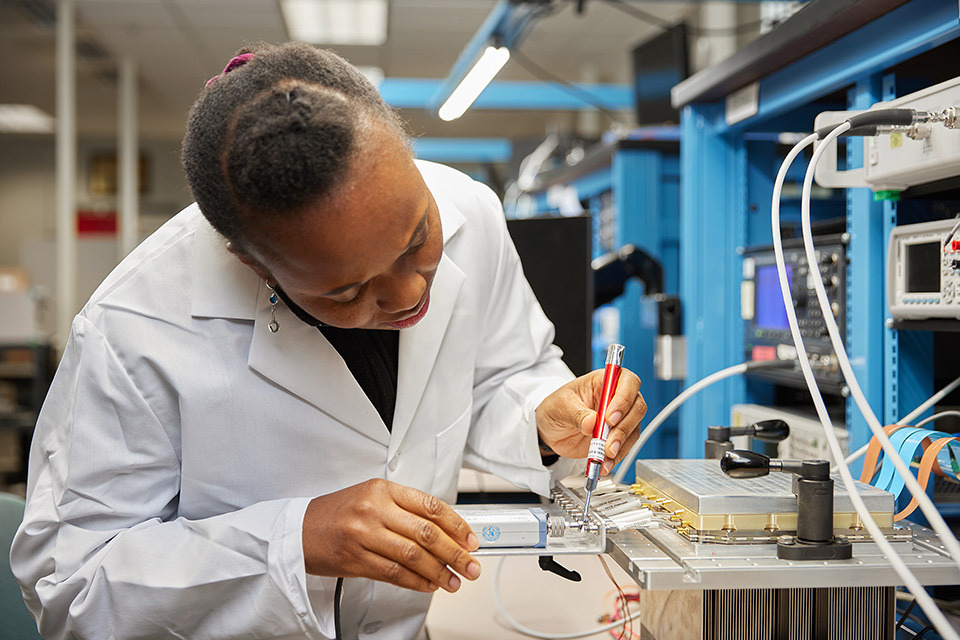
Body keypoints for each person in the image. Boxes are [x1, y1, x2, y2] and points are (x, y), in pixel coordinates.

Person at [11, 42, 647, 640]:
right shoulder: (137, 327)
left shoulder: (468, 210)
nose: (408, 299)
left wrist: (542, 415)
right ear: (251, 262)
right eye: (347, 291)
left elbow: (496, 372)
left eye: (418, 239)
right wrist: (296, 541)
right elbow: (71, 585)